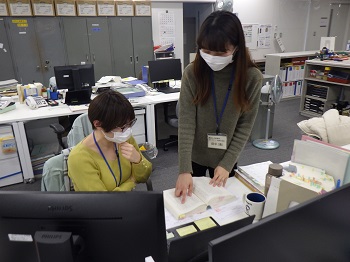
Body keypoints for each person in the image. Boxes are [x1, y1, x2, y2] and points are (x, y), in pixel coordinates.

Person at [175, 11, 263, 203]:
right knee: (193, 204)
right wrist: (184, 169)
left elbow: (245, 126)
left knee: (224, 207)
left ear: (237, 48)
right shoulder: (192, 73)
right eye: (206, 51)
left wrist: (227, 163)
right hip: (195, 155)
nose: (212, 57)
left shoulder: (252, 78)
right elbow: (187, 122)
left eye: (221, 53)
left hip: (227, 156)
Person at [68, 90, 152, 191]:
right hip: (106, 206)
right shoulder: (80, 158)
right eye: (122, 126)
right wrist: (131, 181)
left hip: (128, 201)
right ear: (98, 124)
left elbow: (144, 176)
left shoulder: (125, 139)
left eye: (130, 124)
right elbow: (103, 203)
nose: (127, 130)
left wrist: (138, 160)